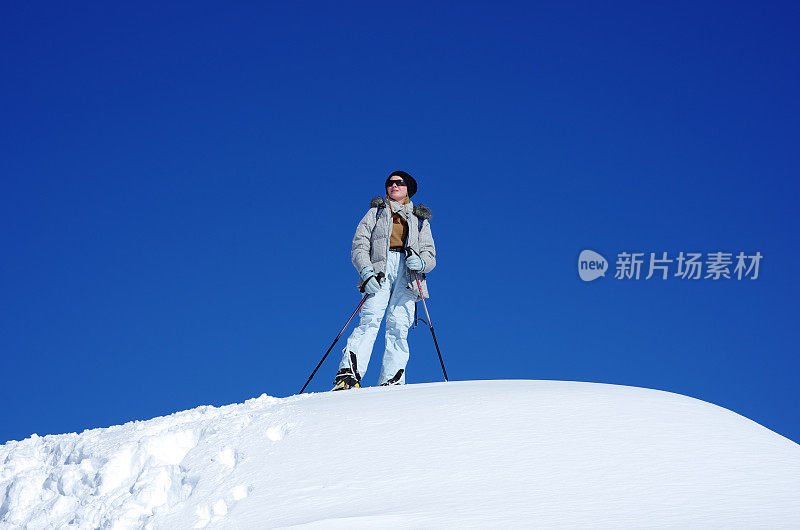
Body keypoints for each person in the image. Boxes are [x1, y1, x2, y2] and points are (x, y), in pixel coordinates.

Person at [332, 170, 436, 390]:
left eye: (399, 183)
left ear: (409, 188)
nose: (394, 186)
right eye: (390, 183)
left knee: (399, 324)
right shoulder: (376, 212)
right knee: (370, 318)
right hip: (380, 268)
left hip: (408, 272)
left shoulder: (419, 220)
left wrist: (421, 263)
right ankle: (349, 374)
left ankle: (392, 378)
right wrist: (366, 272)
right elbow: (359, 245)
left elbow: (430, 254)